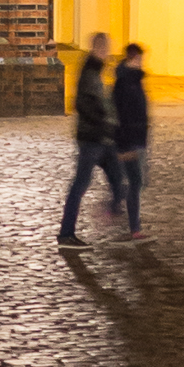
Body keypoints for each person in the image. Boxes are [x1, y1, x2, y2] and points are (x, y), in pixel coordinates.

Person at [57, 31, 122, 242]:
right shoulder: (89, 72)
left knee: (118, 179)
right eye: (105, 49)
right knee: (80, 184)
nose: (108, 53)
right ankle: (66, 234)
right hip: (91, 139)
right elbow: (83, 104)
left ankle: (120, 220)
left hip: (100, 138)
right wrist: (104, 120)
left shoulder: (95, 70)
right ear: (98, 49)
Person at [111, 41, 151, 237]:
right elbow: (122, 115)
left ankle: (118, 209)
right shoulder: (126, 84)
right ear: (133, 58)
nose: (142, 63)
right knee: (135, 181)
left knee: (134, 181)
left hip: (135, 140)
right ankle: (133, 227)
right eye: (140, 59)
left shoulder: (132, 80)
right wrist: (125, 144)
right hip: (129, 141)